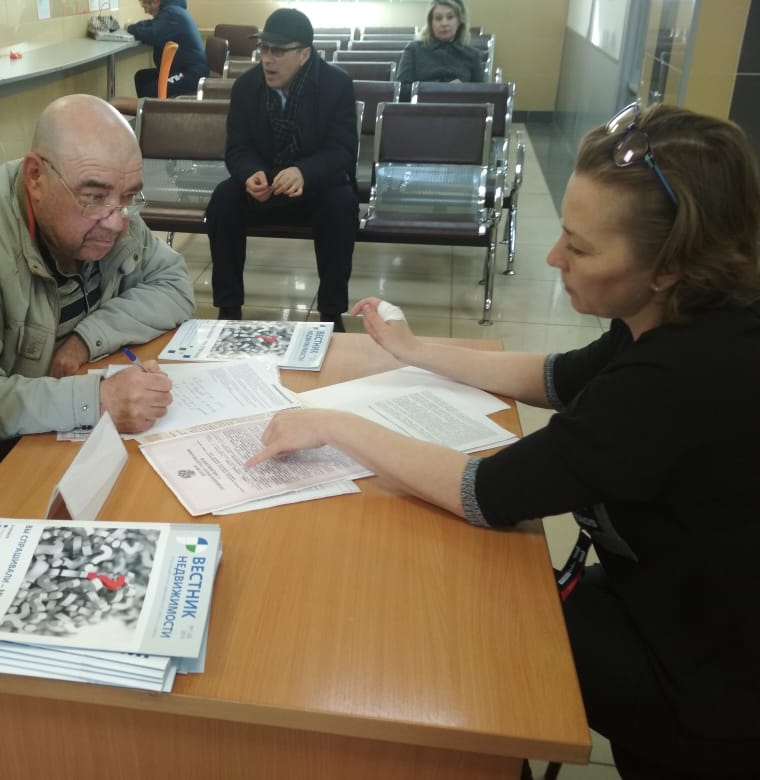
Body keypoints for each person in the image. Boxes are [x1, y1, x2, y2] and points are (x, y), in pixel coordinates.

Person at [248, 103, 760, 779]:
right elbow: (553, 378)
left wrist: (334, 424)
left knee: (469, 635)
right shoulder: (682, 316)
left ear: (669, 265)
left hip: (712, 683)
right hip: (672, 592)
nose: (553, 257)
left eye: (580, 248)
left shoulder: (672, 380)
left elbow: (484, 491)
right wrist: (415, 350)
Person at [0, 94, 194, 463]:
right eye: (94, 197)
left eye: (129, 197)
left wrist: (84, 340)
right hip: (1, 461)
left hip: (64, 432)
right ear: (36, 177)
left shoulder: (113, 208)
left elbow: (174, 284)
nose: (117, 223)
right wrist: (95, 400)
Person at [204, 8, 358, 332]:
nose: (267, 59)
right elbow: (237, 148)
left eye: (278, 51)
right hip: (265, 188)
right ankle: (228, 308)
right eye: (263, 49)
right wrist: (250, 174)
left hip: (315, 189)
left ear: (304, 54)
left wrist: (304, 172)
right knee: (223, 199)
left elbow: (342, 151)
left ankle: (331, 312)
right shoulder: (246, 86)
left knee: (342, 203)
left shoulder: (336, 85)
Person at [126, 0, 209, 98]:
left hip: (191, 74)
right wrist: (132, 26)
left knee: (151, 90)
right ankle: (146, 107)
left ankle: (153, 107)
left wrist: (130, 29)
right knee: (142, 77)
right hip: (182, 69)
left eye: (146, 7)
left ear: (155, 2)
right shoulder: (171, 12)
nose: (145, 11)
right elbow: (150, 24)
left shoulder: (172, 14)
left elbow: (152, 34)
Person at [396, 0, 484, 85]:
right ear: (431, 23)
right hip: (423, 96)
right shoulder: (414, 50)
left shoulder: (473, 55)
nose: (444, 23)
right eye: (438, 18)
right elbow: (401, 89)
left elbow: (480, 92)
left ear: (459, 21)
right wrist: (438, 88)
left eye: (450, 17)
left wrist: (462, 89)